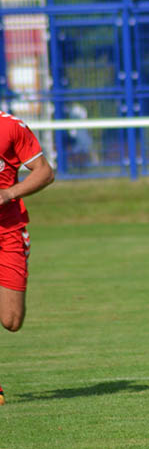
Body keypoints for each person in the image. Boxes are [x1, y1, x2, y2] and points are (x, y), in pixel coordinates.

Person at [0, 110, 56, 405]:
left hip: (8, 231)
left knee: (11, 320)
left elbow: (44, 172)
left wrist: (8, 194)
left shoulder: (10, 128)